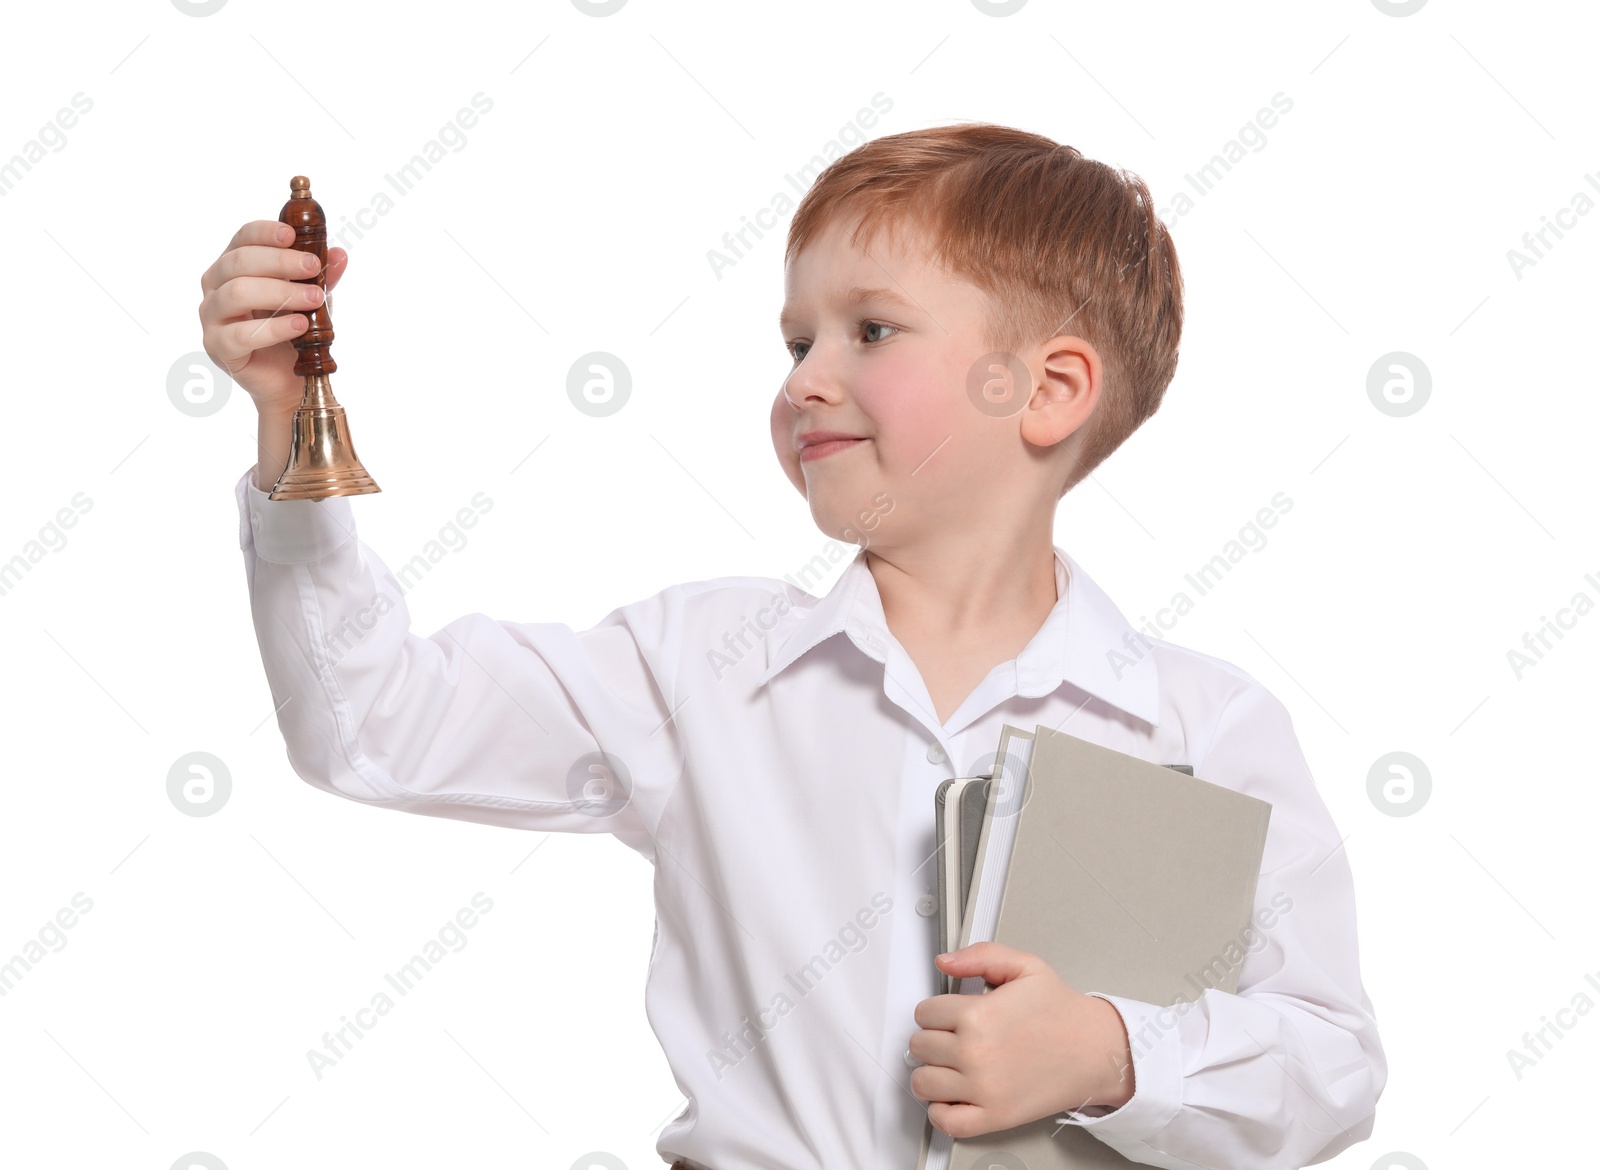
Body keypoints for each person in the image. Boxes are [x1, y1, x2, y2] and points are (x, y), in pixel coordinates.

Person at [200, 123, 1385, 1170]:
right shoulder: (700, 666)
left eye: (869, 329)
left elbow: (1329, 1064)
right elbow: (369, 721)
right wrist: (281, 426)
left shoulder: (1206, 728)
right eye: (794, 341)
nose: (808, 380)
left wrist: (1114, 1055)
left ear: (1050, 389)